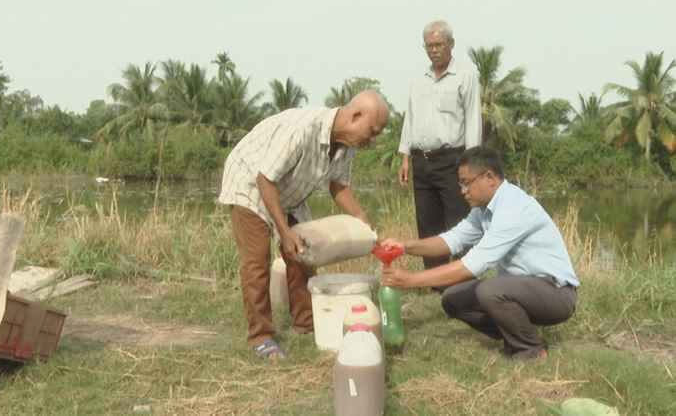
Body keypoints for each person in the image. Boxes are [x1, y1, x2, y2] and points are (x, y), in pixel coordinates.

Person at [218, 90, 389, 359]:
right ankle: (261, 337)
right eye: (372, 130)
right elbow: (265, 179)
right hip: (251, 183)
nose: (373, 138)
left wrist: (362, 220)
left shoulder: (347, 146)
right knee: (257, 261)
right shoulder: (303, 129)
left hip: (287, 191)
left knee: (303, 251)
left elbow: (338, 185)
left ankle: (305, 324)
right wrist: (284, 232)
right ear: (355, 116)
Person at [381, 146, 579, 360]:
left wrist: (410, 280)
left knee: (489, 290)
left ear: (490, 177)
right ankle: (513, 334)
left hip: (556, 294)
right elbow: (451, 240)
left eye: (466, 183)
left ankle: (530, 349)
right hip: (523, 289)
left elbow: (473, 265)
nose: (462, 191)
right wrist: (404, 247)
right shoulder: (483, 210)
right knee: (452, 299)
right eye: (460, 184)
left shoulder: (513, 207)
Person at [398, 19, 482, 275]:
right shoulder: (418, 80)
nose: (434, 50)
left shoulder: (465, 76)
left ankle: (462, 276)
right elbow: (409, 118)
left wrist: (471, 163)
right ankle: (434, 280)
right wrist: (404, 156)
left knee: (458, 220)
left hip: (453, 159)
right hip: (421, 160)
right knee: (427, 222)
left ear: (451, 45)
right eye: (429, 46)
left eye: (439, 45)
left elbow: (473, 119)